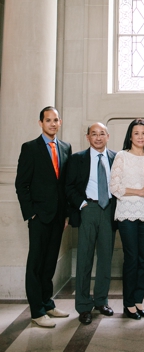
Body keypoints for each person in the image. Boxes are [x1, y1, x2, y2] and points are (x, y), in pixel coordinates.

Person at [14, 106, 72, 328]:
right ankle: (37, 311)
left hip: (58, 218)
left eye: (56, 120)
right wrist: (31, 213)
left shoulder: (65, 147)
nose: (53, 124)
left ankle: (48, 304)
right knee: (36, 264)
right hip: (39, 217)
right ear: (41, 123)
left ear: (60, 122)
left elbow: (64, 185)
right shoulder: (30, 148)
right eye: (48, 120)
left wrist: (66, 214)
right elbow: (22, 184)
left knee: (49, 264)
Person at [64, 123, 117, 324]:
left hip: (109, 210)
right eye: (93, 134)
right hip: (88, 210)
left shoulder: (115, 158)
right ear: (87, 137)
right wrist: (82, 204)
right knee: (84, 259)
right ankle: (84, 306)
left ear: (108, 136)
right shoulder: (77, 159)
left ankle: (101, 300)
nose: (98, 137)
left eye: (101, 133)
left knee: (105, 258)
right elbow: (68, 187)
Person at [109, 119, 144, 319]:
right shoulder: (121, 156)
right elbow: (115, 187)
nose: (140, 136)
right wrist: (140, 191)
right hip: (127, 212)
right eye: (136, 133)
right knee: (132, 258)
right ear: (130, 136)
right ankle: (128, 305)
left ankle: (138, 301)